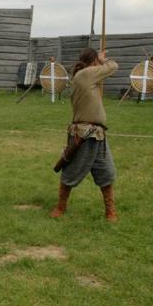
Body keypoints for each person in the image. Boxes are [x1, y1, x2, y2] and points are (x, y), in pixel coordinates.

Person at [50, 48, 119, 221]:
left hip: (98, 135)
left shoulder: (86, 76)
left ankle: (110, 211)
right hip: (84, 135)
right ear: (94, 61)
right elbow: (113, 66)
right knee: (71, 173)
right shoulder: (86, 74)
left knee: (106, 172)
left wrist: (98, 60)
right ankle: (60, 207)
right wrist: (102, 59)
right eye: (96, 61)